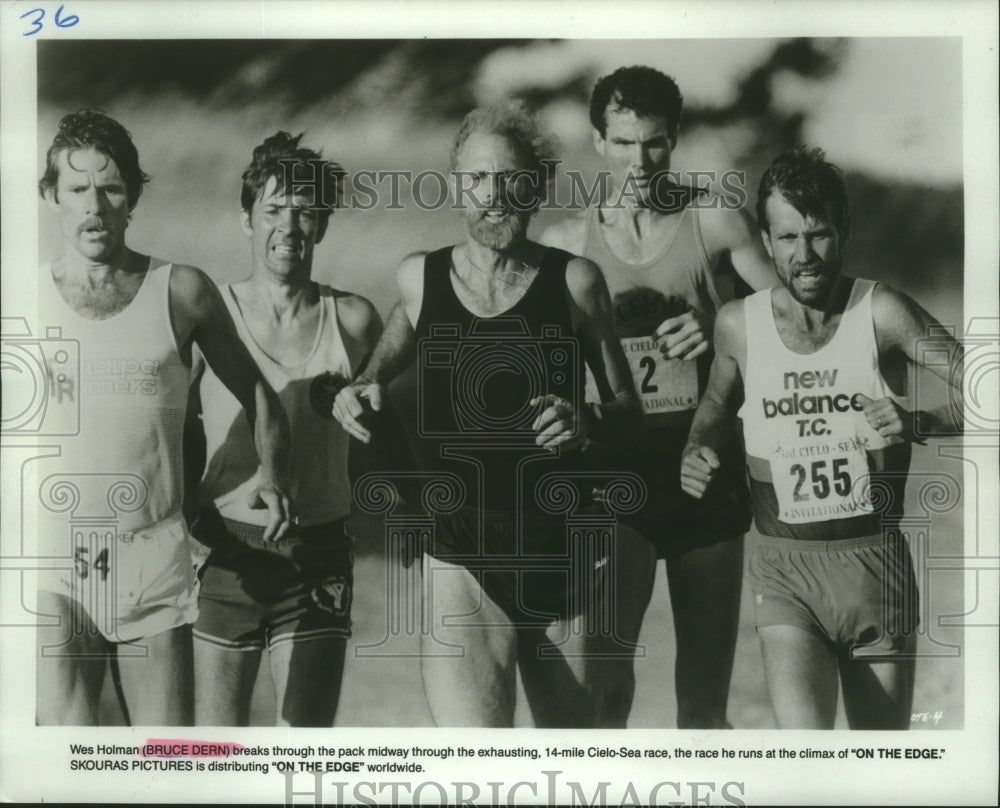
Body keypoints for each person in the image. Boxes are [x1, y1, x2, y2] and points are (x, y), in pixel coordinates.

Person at [333, 102, 645, 727]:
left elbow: (627, 412)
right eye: (478, 178)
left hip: (564, 552)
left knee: (578, 764)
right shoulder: (421, 277)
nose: (494, 195)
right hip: (462, 554)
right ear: (456, 186)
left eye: (511, 178)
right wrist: (365, 382)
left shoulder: (575, 282)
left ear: (537, 186)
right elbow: (401, 332)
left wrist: (585, 422)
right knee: (476, 766)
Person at [680, 146, 963, 729]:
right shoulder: (738, 322)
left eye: (818, 235)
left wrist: (922, 422)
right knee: (805, 762)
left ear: (845, 230)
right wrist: (697, 445)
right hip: (785, 572)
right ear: (765, 240)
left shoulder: (881, 311)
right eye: (787, 239)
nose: (804, 256)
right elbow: (715, 402)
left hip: (874, 566)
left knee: (877, 769)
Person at [34, 109, 292, 726]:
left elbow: (261, 396)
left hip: (152, 553)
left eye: (112, 187)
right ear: (51, 197)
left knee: (166, 763)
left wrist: (274, 476)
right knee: (65, 752)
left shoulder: (181, 290)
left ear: (133, 198)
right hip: (50, 551)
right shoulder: (20, 294)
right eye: (77, 189)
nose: (94, 205)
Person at [540, 65, 778, 728]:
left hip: (706, 470)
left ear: (674, 141)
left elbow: (793, 331)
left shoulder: (717, 225)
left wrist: (719, 324)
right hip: (613, 480)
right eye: (623, 143)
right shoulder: (565, 246)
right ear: (597, 141)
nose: (639, 160)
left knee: (703, 709)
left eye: (654, 143)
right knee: (603, 695)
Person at [186, 132, 381, 727]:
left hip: (318, 551)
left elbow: (396, 420)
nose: (288, 227)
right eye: (273, 210)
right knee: (214, 755)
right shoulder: (209, 314)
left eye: (305, 212)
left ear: (322, 225)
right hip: (225, 553)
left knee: (305, 746)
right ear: (246, 219)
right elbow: (170, 427)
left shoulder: (351, 318)